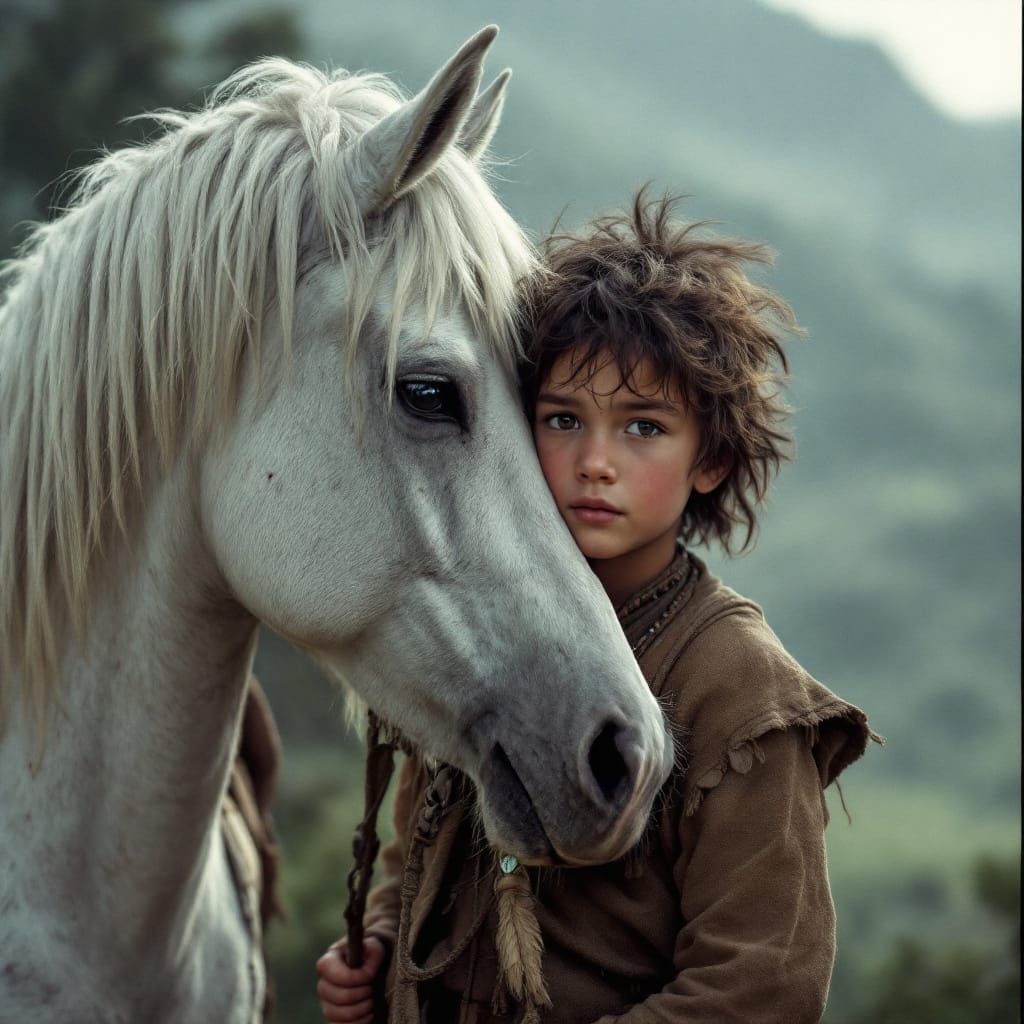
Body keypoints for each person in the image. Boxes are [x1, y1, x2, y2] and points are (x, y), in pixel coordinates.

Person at [315, 190, 878, 1024]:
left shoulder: (740, 687)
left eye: (643, 427)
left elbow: (762, 985)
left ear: (712, 461)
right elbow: (418, 846)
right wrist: (381, 944)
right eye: (562, 418)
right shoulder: (480, 625)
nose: (594, 462)